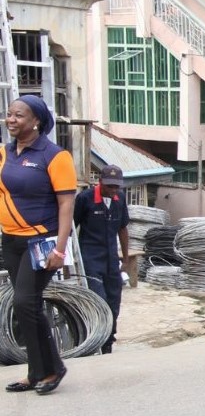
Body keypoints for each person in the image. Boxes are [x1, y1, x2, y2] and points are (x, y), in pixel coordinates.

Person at [1, 96, 76, 395]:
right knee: (27, 306)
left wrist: (60, 249)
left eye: (18, 115)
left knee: (24, 302)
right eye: (8, 114)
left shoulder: (55, 156)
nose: (11, 120)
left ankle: (53, 368)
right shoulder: (6, 152)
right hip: (11, 240)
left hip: (41, 242)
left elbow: (66, 204)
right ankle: (36, 373)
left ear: (36, 122)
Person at [74, 164, 130, 354]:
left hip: (111, 259)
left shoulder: (120, 199)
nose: (113, 190)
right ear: (100, 182)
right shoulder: (85, 199)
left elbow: (123, 228)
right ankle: (95, 339)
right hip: (91, 257)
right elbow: (72, 228)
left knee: (114, 301)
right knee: (100, 299)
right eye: (109, 186)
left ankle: (108, 341)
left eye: (116, 187)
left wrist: (126, 258)